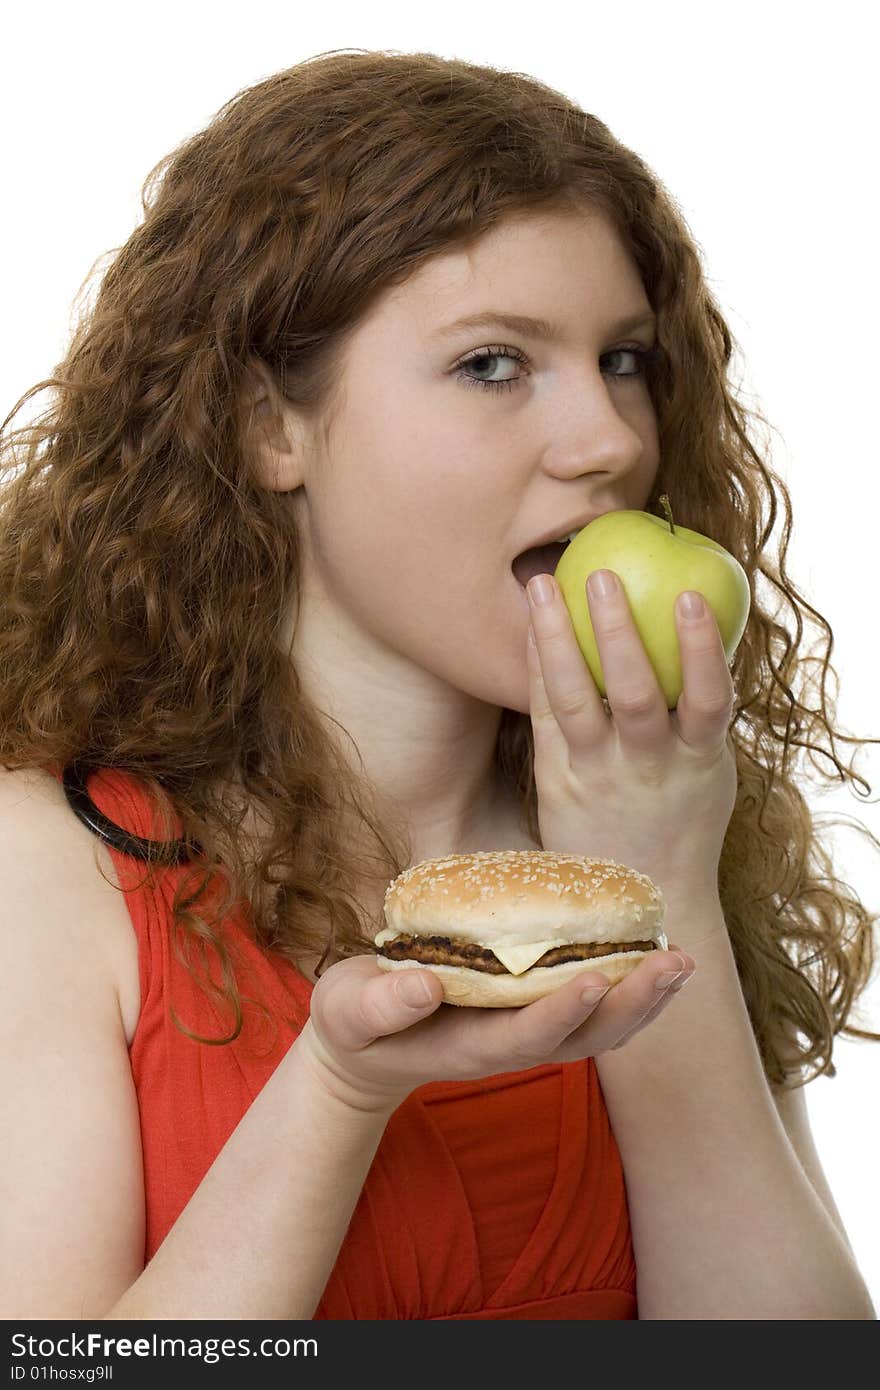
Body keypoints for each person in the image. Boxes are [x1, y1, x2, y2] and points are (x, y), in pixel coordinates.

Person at [0, 49, 876, 1322]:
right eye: (493, 364)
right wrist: (340, 1088)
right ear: (268, 428)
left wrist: (663, 881)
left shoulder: (671, 825)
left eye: (623, 360)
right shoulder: (49, 866)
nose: (611, 441)